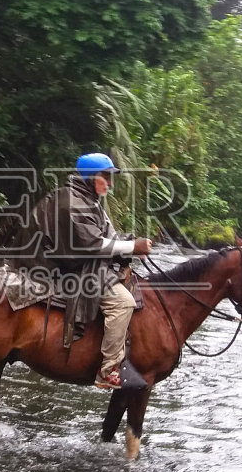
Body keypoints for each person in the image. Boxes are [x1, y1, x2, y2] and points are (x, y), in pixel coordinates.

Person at [29, 152, 152, 389]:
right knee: (123, 302)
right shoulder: (71, 203)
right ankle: (107, 370)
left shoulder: (91, 200)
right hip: (70, 269)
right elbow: (92, 244)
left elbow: (110, 237)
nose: (110, 182)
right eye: (106, 176)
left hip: (87, 263)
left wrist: (131, 245)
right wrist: (132, 246)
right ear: (91, 177)